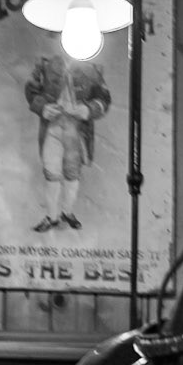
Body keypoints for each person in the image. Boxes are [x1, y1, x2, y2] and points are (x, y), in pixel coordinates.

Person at [24, 50, 110, 232]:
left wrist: (89, 109)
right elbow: (31, 89)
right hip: (51, 130)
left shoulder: (93, 70)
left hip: (76, 132)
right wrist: (43, 107)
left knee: (72, 175)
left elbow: (104, 98)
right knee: (52, 175)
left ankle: (67, 212)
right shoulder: (44, 65)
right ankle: (51, 217)